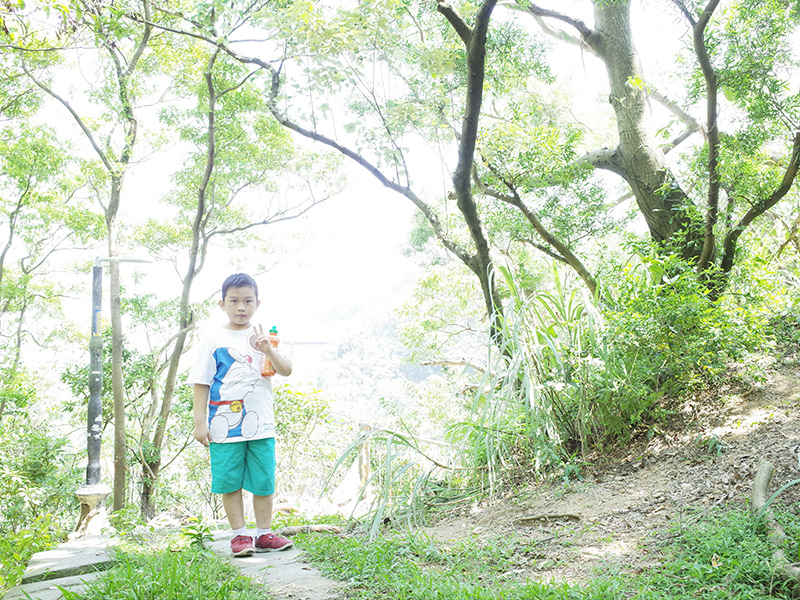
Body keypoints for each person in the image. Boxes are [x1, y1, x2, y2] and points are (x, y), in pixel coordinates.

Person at [188, 272, 294, 557]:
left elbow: (286, 370)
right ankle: (239, 536)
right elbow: (202, 383)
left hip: (261, 425)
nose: (241, 307)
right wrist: (200, 423)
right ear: (222, 303)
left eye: (248, 301)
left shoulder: (263, 337)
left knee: (263, 480)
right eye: (234, 301)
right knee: (229, 480)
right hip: (223, 427)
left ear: (257, 303)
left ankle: (263, 533)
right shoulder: (213, 340)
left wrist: (268, 350)